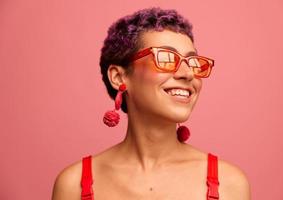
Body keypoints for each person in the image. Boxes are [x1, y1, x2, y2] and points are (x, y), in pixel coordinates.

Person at [52, 7, 251, 200]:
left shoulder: (229, 184)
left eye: (192, 62)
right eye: (166, 58)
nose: (188, 74)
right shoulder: (74, 185)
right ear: (119, 77)